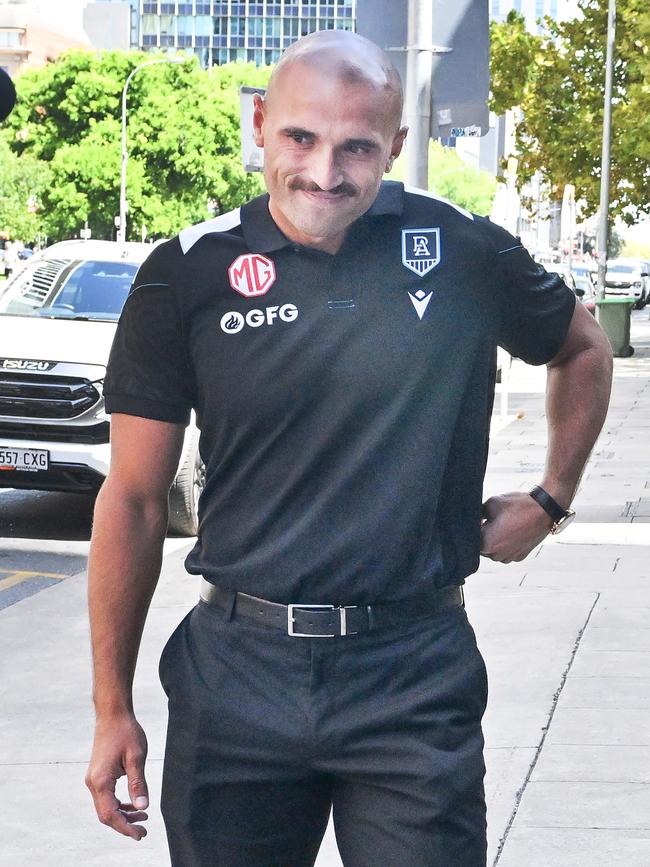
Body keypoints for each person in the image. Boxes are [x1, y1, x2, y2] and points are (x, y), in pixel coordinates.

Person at [85, 29, 613, 867]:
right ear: (261, 123)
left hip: (412, 671)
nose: (325, 173)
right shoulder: (184, 273)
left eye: (357, 148)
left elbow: (584, 347)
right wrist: (112, 705)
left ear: (395, 146)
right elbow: (138, 499)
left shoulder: (464, 251)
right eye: (301, 138)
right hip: (235, 675)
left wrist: (551, 499)